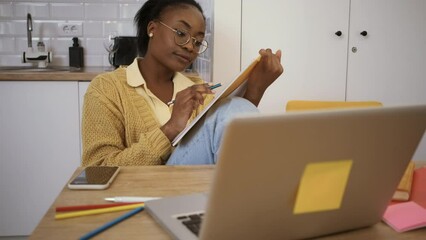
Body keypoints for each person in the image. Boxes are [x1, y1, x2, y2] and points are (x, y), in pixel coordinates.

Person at [81, 0, 283, 166]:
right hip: (137, 192)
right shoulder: (107, 88)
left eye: (197, 41)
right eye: (181, 33)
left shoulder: (198, 88)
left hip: (188, 191)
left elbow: (232, 136)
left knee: (235, 107)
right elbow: (97, 171)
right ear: (152, 28)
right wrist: (170, 129)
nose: (190, 47)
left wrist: (257, 88)